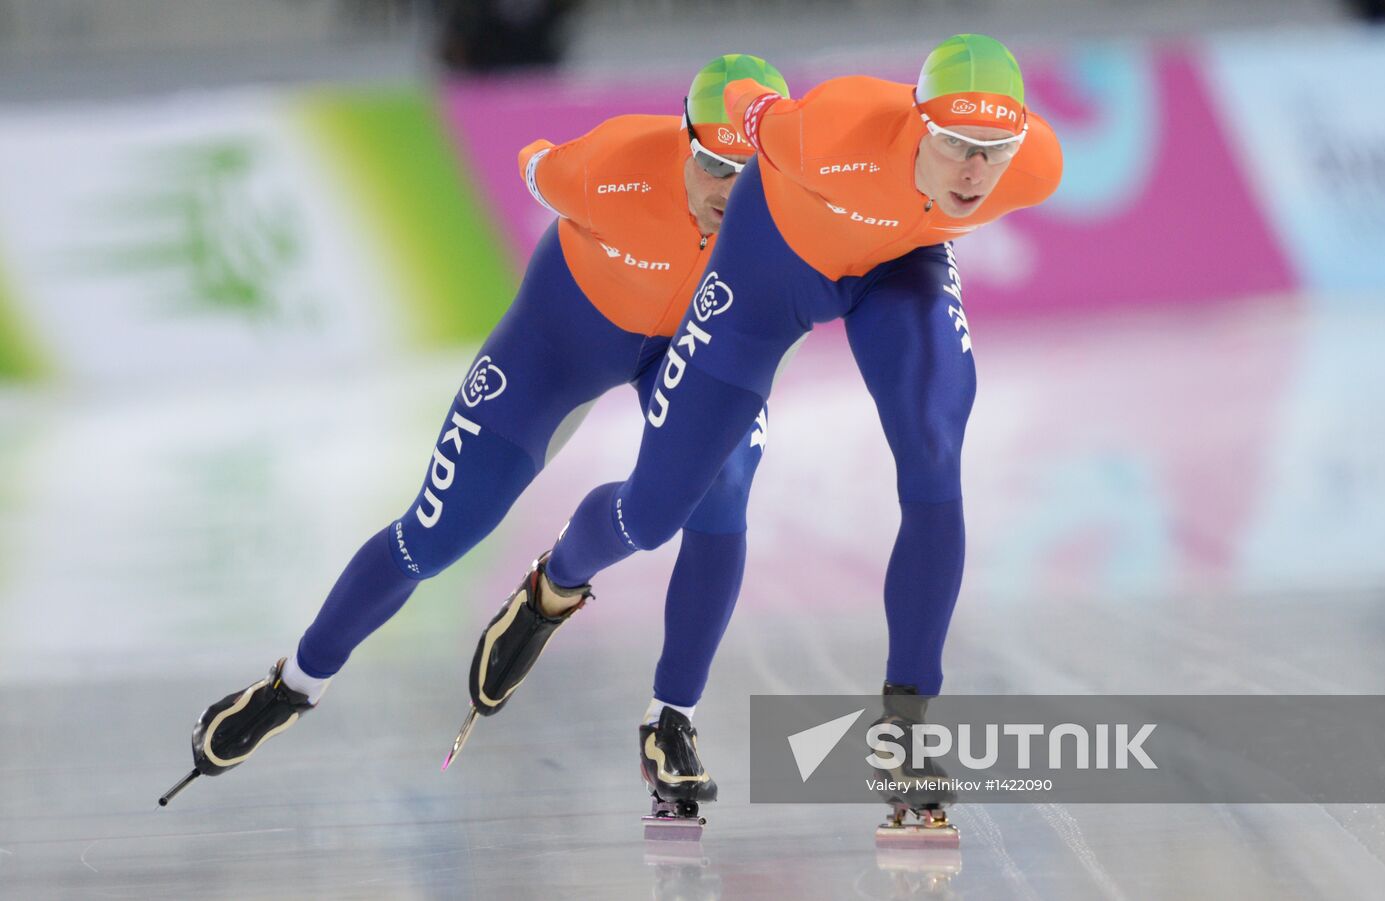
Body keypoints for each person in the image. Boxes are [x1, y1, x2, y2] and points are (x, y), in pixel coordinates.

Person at [464, 33, 1063, 834]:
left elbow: (989, 171)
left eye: (993, 150)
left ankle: (907, 732)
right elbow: (747, 108)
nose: (973, 172)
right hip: (764, 276)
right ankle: (555, 585)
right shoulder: (826, 129)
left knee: (933, 447)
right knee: (655, 511)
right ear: (920, 123)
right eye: (956, 143)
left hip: (899, 267)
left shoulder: (1037, 167)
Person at [165, 55, 792, 811]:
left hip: (696, 351)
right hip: (559, 344)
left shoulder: (796, 204)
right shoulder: (610, 166)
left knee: (723, 491)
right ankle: (295, 682)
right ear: (684, 143)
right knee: (435, 536)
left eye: (749, 170)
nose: (731, 191)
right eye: (715, 165)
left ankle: (661, 708)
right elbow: (534, 165)